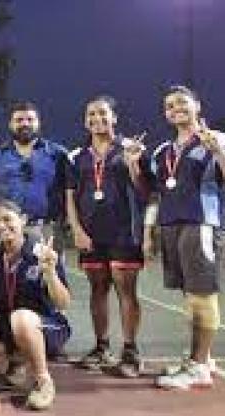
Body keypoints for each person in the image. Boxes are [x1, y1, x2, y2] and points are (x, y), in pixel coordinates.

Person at [139, 86, 225, 390]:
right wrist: (149, 232)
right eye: (170, 105)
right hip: (171, 228)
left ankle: (199, 367)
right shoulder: (163, 152)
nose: (176, 108)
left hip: (202, 225)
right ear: (165, 113)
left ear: (197, 106)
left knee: (202, 295)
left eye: (182, 103)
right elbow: (153, 195)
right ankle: (202, 358)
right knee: (190, 297)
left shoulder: (218, 140)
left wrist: (218, 153)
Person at [66, 96, 147, 377]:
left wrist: (134, 164)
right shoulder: (77, 156)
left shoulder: (130, 148)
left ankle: (130, 351)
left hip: (123, 232)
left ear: (115, 118)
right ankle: (102, 347)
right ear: (84, 120)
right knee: (97, 290)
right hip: (91, 234)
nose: (96, 118)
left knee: (126, 291)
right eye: (91, 114)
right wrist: (76, 229)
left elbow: (145, 191)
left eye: (103, 113)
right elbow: (70, 196)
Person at [0, 200, 71, 410]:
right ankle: (18, 362)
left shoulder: (42, 255)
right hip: (8, 328)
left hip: (46, 327)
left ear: (23, 220)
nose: (1, 226)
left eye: (7, 219)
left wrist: (51, 273)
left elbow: (64, 302)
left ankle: (43, 381)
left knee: (22, 318)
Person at [0, 101, 68, 244]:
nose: (25, 124)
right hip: (5, 228)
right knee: (5, 266)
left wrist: (65, 222)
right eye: (19, 120)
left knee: (47, 266)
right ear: (11, 124)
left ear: (38, 123)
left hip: (46, 228)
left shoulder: (57, 153)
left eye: (30, 119)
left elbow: (68, 191)